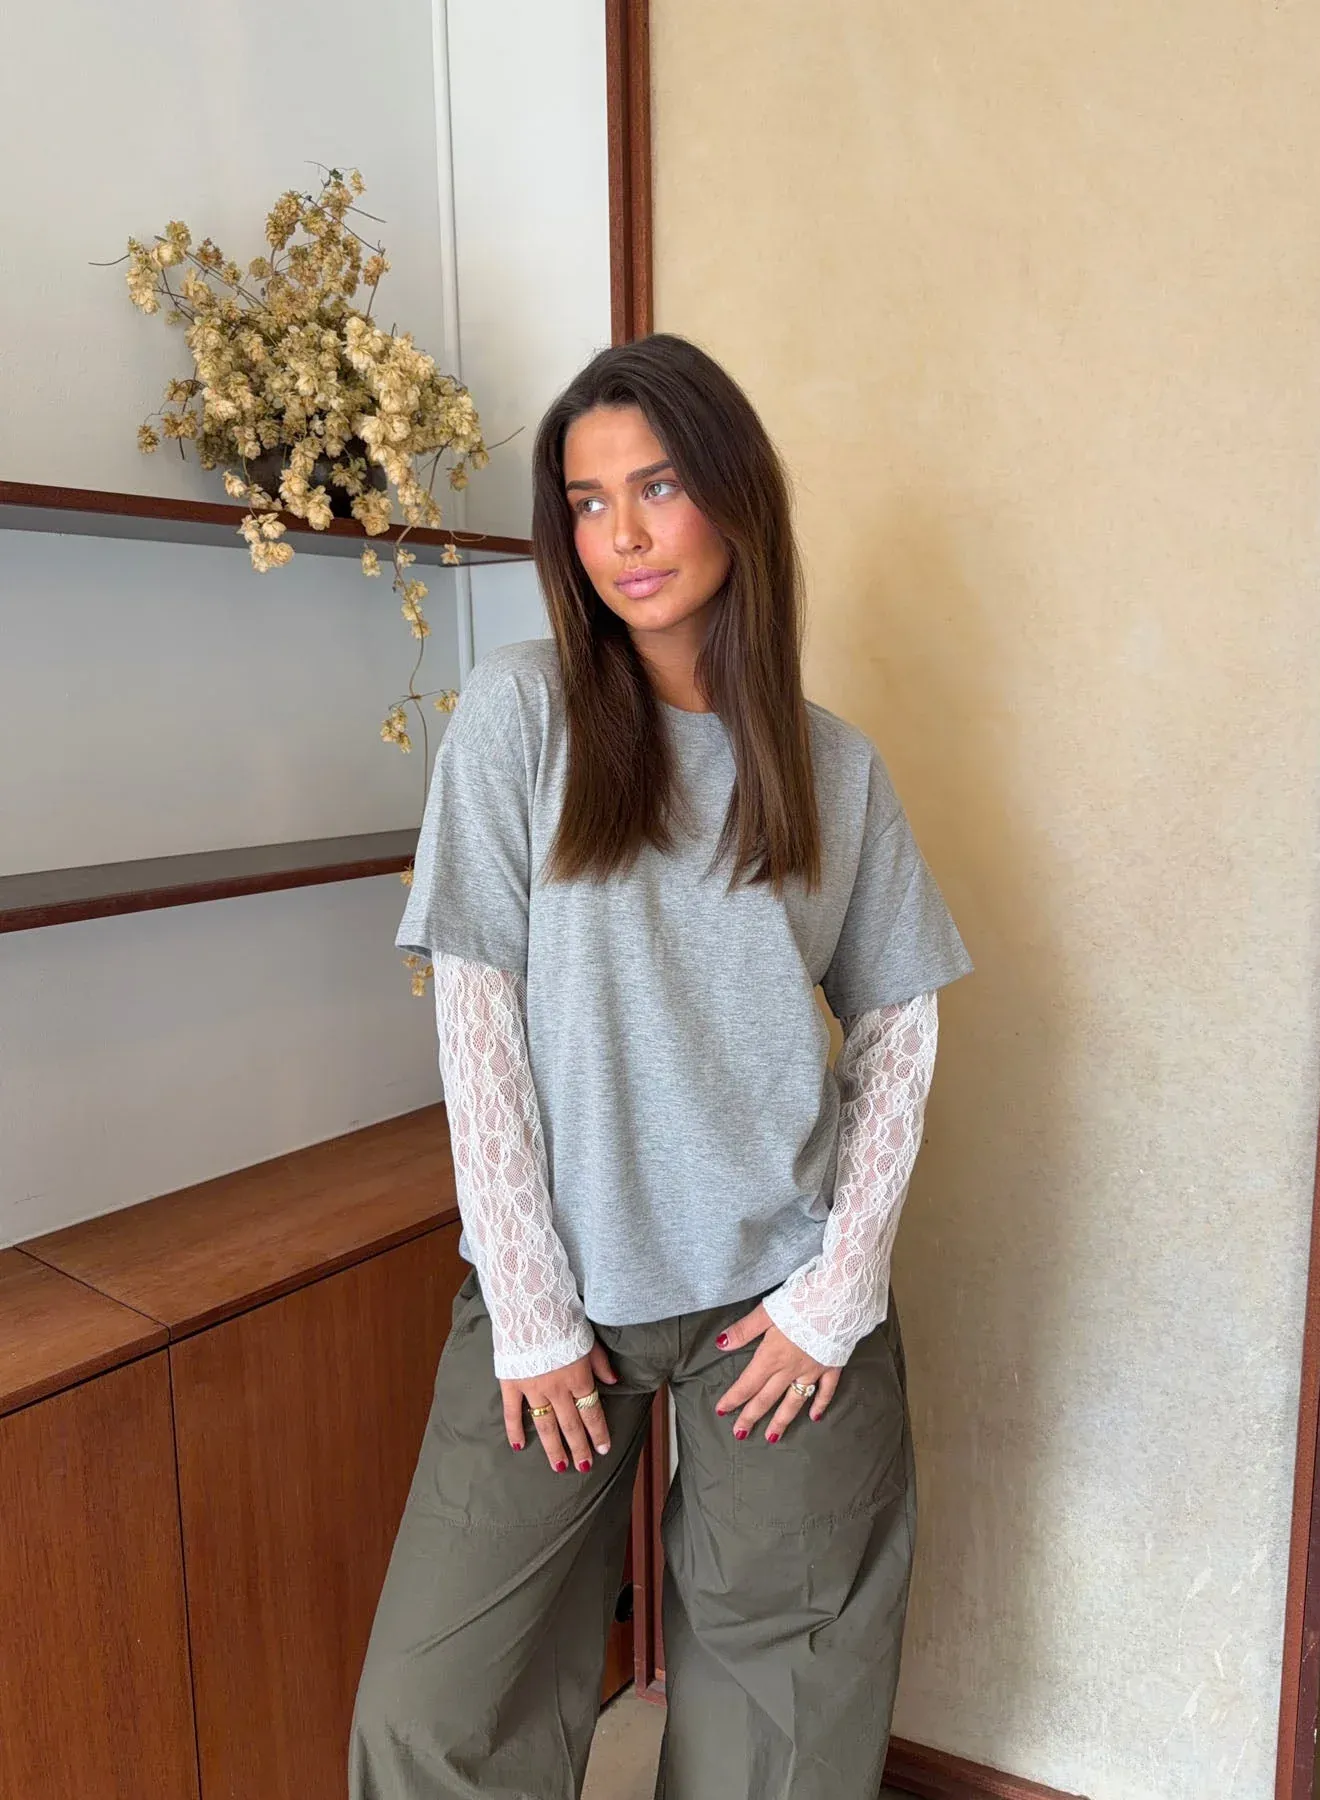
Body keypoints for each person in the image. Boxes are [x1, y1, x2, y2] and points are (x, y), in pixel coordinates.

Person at [349, 332, 973, 1800]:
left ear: (737, 498)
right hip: (560, 1296)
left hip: (781, 1304)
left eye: (659, 486)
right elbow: (476, 1016)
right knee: (439, 1715)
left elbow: (899, 1024)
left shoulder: (832, 766)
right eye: (586, 501)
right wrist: (526, 1305)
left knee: (785, 1734)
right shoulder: (520, 714)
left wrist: (837, 1292)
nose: (621, 534)